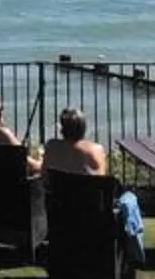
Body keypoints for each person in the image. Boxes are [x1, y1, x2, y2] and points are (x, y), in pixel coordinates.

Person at [39, 109, 147, 270]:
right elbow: (100, 181)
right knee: (130, 199)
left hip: (62, 216)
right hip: (94, 217)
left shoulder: (52, 147)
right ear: (83, 128)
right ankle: (135, 255)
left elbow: (45, 180)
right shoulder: (96, 150)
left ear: (62, 129)